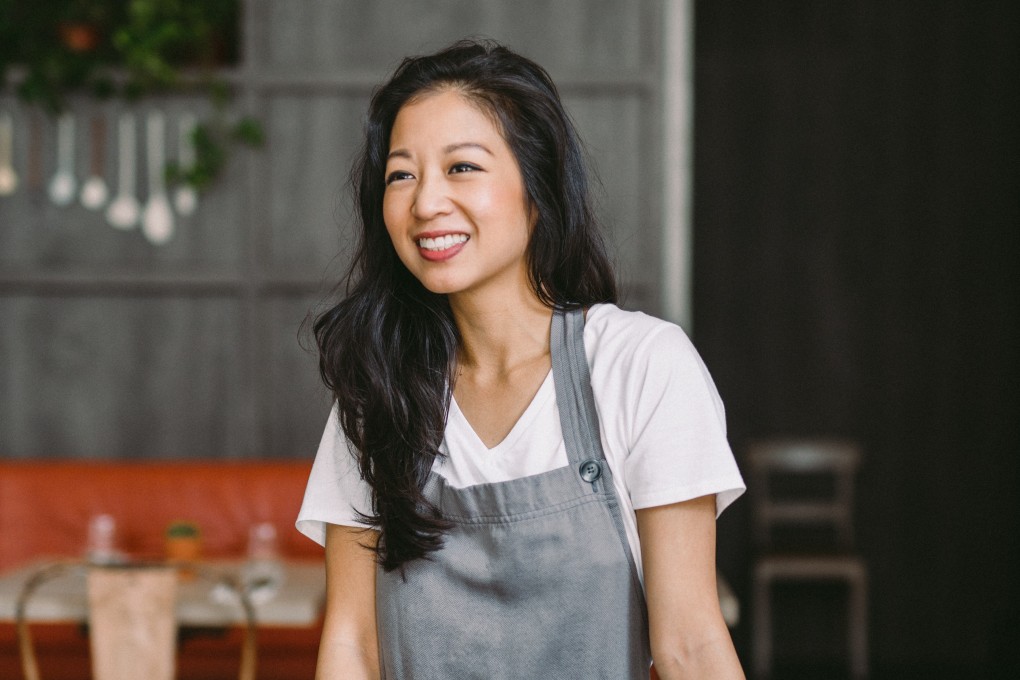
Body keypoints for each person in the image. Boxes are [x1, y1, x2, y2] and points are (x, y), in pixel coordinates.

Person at [297, 39, 746, 679]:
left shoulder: (640, 365)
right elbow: (352, 645)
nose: (425, 203)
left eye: (462, 168)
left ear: (538, 190)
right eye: (402, 174)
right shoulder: (379, 388)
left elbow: (690, 647)